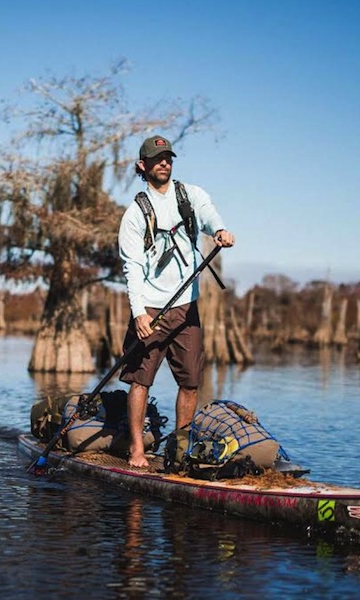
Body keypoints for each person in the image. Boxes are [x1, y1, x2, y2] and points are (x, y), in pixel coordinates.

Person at [118, 134, 234, 468]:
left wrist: (220, 231)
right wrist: (139, 313)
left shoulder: (190, 194)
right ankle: (137, 450)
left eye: (168, 157)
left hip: (187, 307)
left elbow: (209, 214)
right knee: (140, 380)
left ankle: (181, 451)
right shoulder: (136, 213)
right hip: (152, 309)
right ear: (143, 166)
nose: (164, 162)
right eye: (156, 159)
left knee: (191, 382)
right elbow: (133, 267)